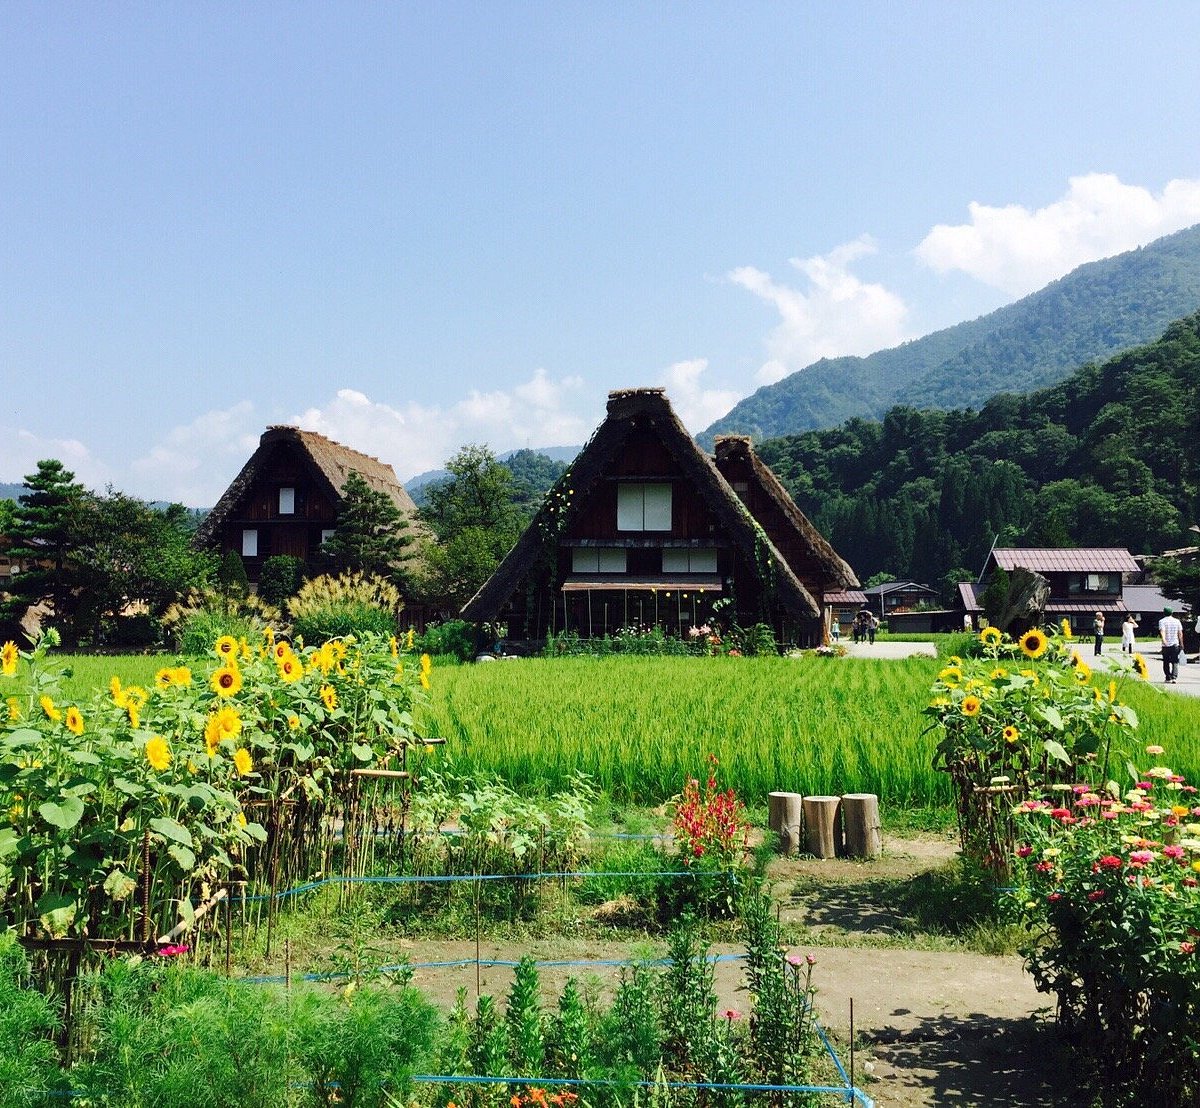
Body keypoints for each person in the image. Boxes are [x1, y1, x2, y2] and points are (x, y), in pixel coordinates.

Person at [1160, 606, 1184, 684]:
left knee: (1166, 661)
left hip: (1165, 645)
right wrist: (1181, 643)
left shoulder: (1162, 621)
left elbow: (1162, 631)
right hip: (1175, 644)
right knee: (1175, 661)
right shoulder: (1177, 621)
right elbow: (1180, 633)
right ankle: (1174, 677)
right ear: (1172, 613)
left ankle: (1168, 677)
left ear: (1164, 613)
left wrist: (1164, 640)